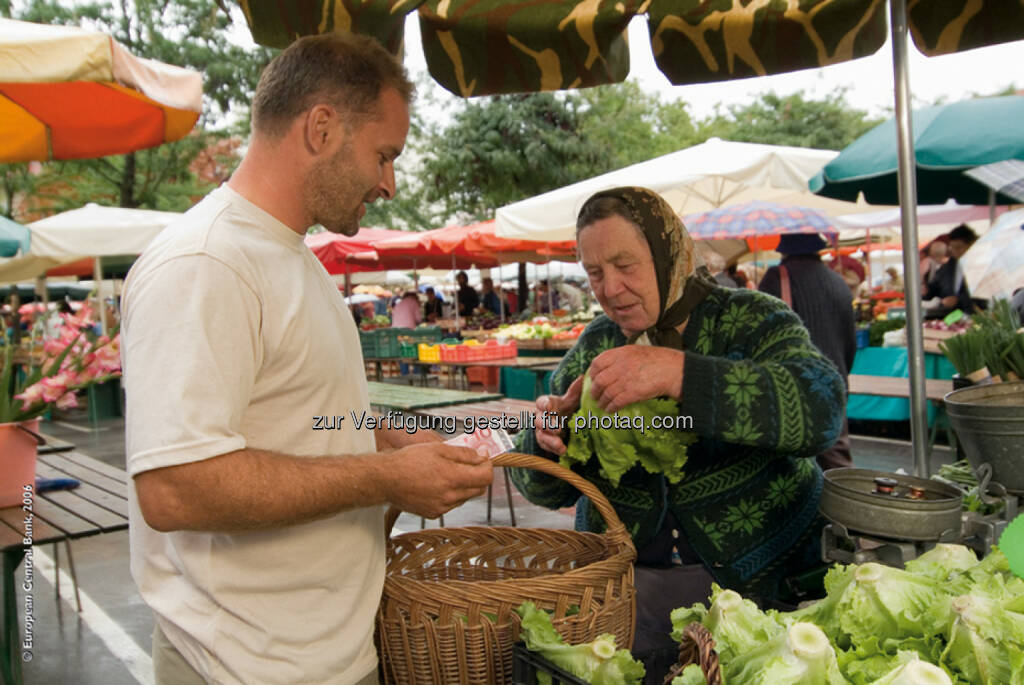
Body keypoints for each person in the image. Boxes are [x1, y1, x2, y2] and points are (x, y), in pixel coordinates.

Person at [120, 34, 493, 685]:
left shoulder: (294, 259)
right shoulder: (206, 262)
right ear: (321, 127)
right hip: (242, 664)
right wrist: (387, 478)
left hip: (322, 653)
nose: (389, 181)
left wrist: (392, 442)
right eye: (384, 154)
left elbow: (299, 420)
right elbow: (175, 486)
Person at [510, 187, 844, 657]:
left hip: (759, 586)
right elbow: (538, 486)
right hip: (628, 596)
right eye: (594, 273)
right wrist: (548, 438)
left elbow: (822, 408)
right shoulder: (597, 345)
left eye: (625, 266)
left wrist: (680, 373)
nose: (609, 288)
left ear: (670, 254)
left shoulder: (750, 319)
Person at [759, 233, 857, 470]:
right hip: (836, 383)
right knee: (836, 463)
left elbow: (759, 335)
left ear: (785, 250)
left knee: (791, 469)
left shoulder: (777, 277)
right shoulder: (839, 282)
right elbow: (850, 343)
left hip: (791, 387)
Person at [924, 223, 978, 318]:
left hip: (974, 316)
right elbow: (934, 289)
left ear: (972, 245)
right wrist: (926, 291)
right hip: (951, 317)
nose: (954, 251)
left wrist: (958, 300)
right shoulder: (947, 267)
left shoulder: (980, 266)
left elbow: (983, 296)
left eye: (959, 247)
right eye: (952, 247)